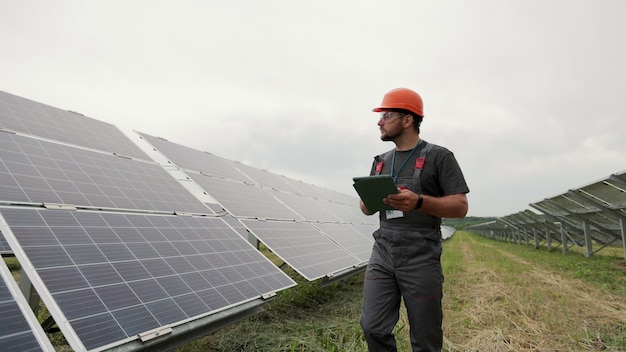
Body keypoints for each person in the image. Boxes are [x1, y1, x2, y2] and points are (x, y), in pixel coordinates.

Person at [359, 87, 469, 352]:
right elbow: (365, 209)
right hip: (383, 252)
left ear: (407, 120)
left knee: (425, 336)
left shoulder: (439, 157)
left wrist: (419, 201)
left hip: (421, 256)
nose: (379, 121)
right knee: (372, 326)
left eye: (386, 115)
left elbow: (460, 206)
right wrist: (369, 199)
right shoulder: (380, 162)